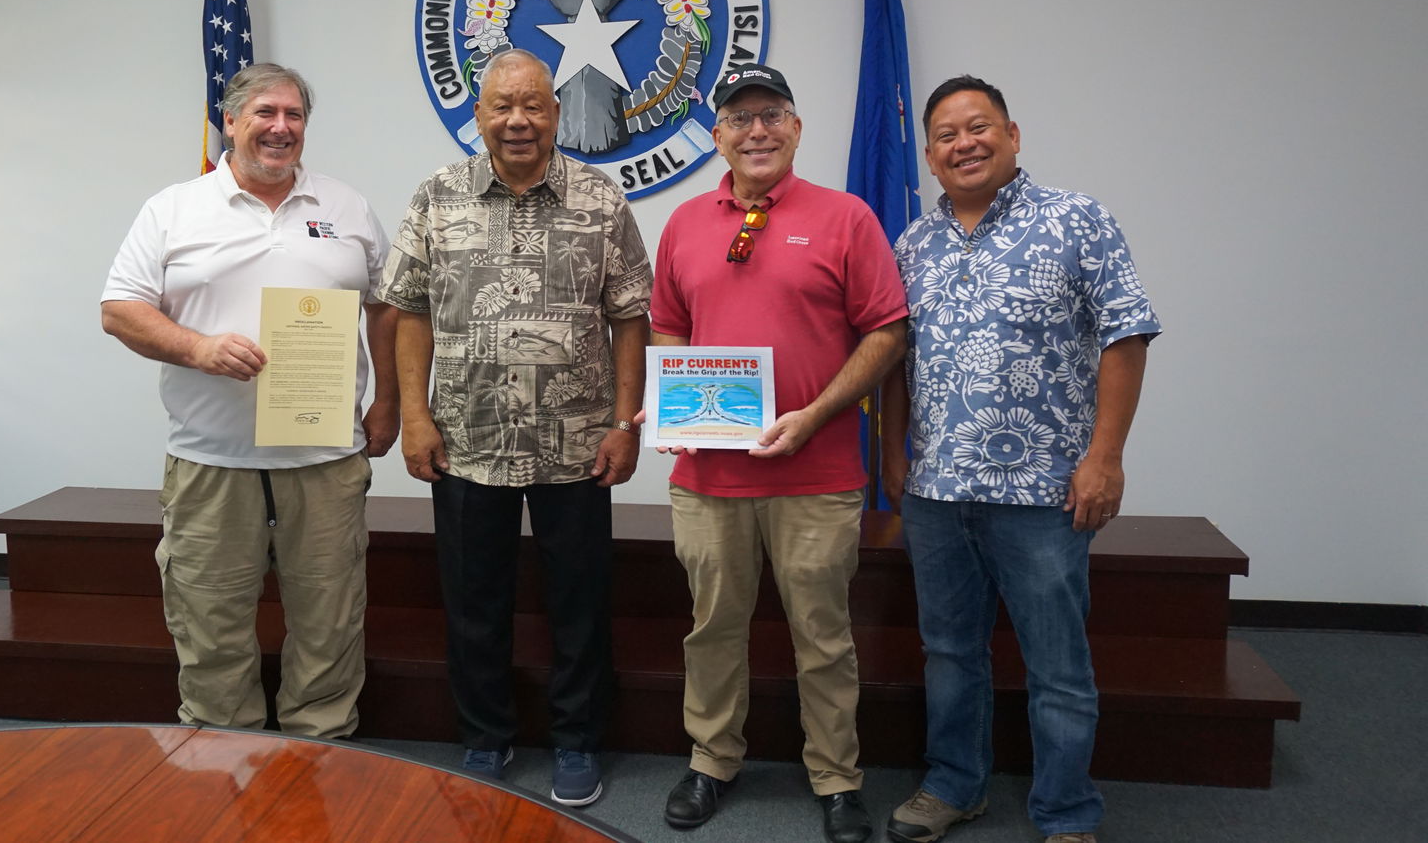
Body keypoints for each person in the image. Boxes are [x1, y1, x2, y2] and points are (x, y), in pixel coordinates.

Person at [881, 75, 1160, 843]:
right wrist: (893, 451)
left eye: (979, 127)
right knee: (949, 652)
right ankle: (954, 786)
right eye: (946, 134)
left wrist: (1106, 458)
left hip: (1045, 492)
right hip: (937, 490)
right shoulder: (914, 242)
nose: (964, 143)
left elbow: (1125, 337)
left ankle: (1067, 811)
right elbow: (896, 355)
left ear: (1012, 134)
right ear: (932, 158)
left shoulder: (1078, 220)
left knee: (1057, 666)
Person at [377, 48, 652, 807]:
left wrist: (625, 422)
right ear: (479, 115)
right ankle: (486, 737)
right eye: (502, 105)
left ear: (558, 114)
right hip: (466, 439)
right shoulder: (438, 197)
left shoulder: (601, 199)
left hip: (577, 444)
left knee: (580, 602)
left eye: (533, 104)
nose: (518, 120)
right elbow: (410, 315)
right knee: (473, 601)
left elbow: (631, 319)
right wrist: (415, 417)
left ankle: (576, 743)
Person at [649, 63, 908, 843]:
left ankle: (835, 776)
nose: (755, 130)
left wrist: (817, 412)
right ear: (718, 134)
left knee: (823, 634)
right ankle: (711, 759)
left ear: (796, 128)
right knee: (713, 628)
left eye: (771, 115)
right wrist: (671, 403)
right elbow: (667, 324)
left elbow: (888, 332)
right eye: (739, 118)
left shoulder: (846, 218)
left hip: (818, 471)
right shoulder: (685, 222)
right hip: (709, 476)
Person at [101, 62, 398, 740]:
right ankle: (220, 758)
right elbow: (120, 311)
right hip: (211, 461)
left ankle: (318, 751)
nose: (280, 128)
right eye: (264, 113)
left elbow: (387, 308)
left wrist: (390, 401)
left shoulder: (346, 207)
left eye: (294, 116)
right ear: (229, 121)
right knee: (210, 621)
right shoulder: (173, 208)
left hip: (324, 458)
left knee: (330, 618)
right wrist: (198, 349)